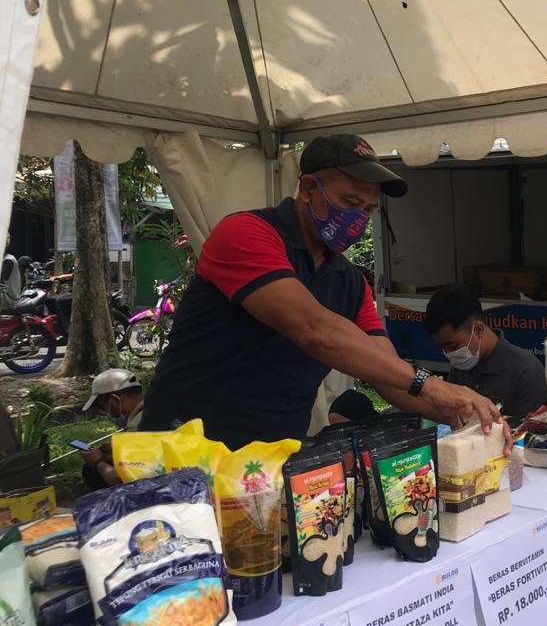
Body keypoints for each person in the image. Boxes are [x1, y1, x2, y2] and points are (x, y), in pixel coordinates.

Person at [141, 134, 501, 449]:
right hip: (188, 444)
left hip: (275, 456)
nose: (359, 219)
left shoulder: (349, 282)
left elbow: (387, 374)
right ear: (308, 188)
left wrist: (464, 408)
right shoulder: (245, 234)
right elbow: (313, 329)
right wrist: (431, 385)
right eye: (349, 203)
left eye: (369, 210)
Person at [424, 284, 547, 418]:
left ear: (478, 330)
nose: (449, 354)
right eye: (442, 347)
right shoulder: (460, 366)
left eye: (453, 346)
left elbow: (533, 434)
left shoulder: (526, 372)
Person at [80, 368, 146, 489]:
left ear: (115, 400)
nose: (105, 411)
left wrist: (97, 462)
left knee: (90, 471)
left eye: (103, 405)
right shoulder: (153, 410)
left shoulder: (137, 427)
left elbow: (126, 483)